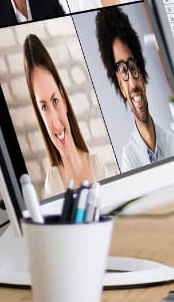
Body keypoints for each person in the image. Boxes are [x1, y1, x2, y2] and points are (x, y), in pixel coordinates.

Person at [95, 6, 174, 171]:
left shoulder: (172, 141)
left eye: (133, 67)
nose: (133, 84)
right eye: (123, 70)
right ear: (120, 87)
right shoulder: (129, 159)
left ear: (142, 75)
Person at [23, 33, 109, 197]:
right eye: (44, 107)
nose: (55, 122)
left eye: (55, 101)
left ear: (63, 98)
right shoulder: (52, 182)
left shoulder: (97, 165)